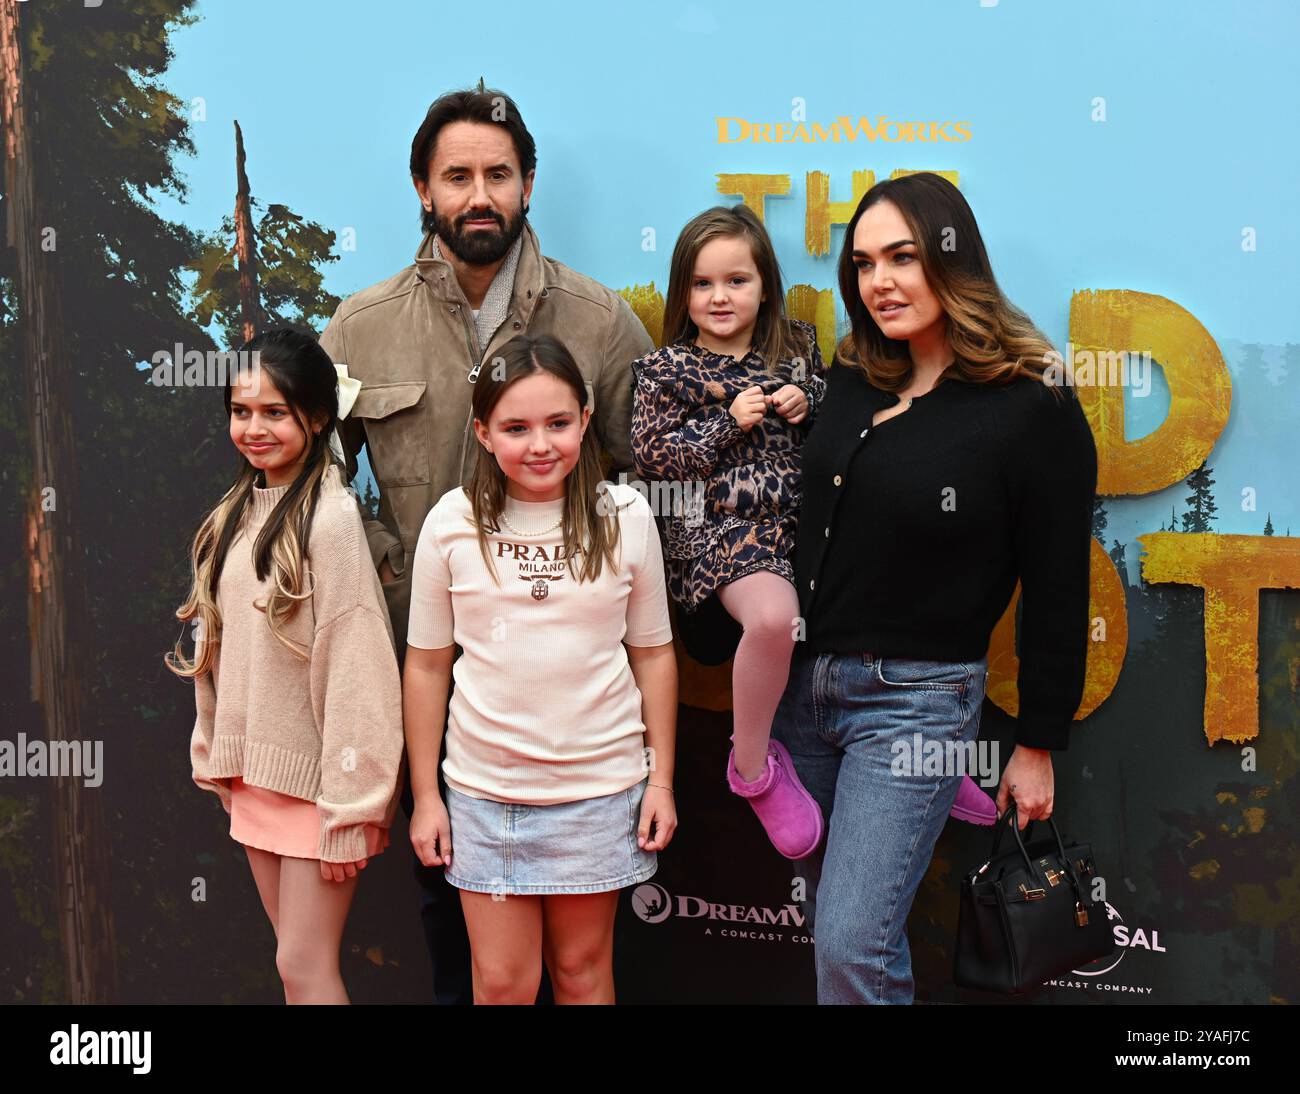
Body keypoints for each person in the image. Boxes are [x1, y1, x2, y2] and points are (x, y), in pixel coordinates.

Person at [318, 86, 654, 1003]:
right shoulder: (361, 325)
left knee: (582, 963)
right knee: (454, 934)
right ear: (422, 189)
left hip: (571, 705)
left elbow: (649, 474)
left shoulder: (597, 320)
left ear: (528, 185)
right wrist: (389, 563)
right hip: (421, 666)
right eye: (457, 176)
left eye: (498, 175)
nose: (479, 195)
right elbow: (312, 475)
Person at [769, 171, 1098, 1004]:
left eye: (903, 257)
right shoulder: (854, 376)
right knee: (828, 928)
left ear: (955, 259)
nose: (879, 281)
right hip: (802, 694)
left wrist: (1037, 742)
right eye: (863, 263)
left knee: (852, 941)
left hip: (915, 704)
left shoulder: (1033, 403)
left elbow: (1058, 586)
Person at [630, 204, 992, 861]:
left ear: (765, 285)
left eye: (736, 280)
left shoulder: (796, 348)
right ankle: (751, 768)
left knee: (885, 562)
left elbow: (838, 428)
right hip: (720, 532)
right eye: (703, 283)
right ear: (682, 292)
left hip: (802, 522)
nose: (719, 297)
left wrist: (811, 403)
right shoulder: (666, 369)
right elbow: (655, 459)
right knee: (774, 620)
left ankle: (929, 757)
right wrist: (726, 423)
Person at [402, 333, 677, 1004]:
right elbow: (428, 666)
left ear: (586, 418)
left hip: (600, 790)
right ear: (483, 432)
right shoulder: (451, 522)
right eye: (516, 428)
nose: (540, 445)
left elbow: (653, 654)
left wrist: (661, 781)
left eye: (558, 423)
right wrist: (426, 796)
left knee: (582, 974)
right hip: (485, 795)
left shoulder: (626, 516)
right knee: (502, 984)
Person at [168, 328, 405, 1004]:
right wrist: (214, 749)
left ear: (319, 415)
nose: (254, 428)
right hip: (255, 779)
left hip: (320, 789)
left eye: (275, 411)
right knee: (291, 969)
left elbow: (358, 667)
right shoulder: (230, 518)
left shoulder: (331, 520)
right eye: (241, 411)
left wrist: (353, 807)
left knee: (306, 968)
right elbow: (216, 651)